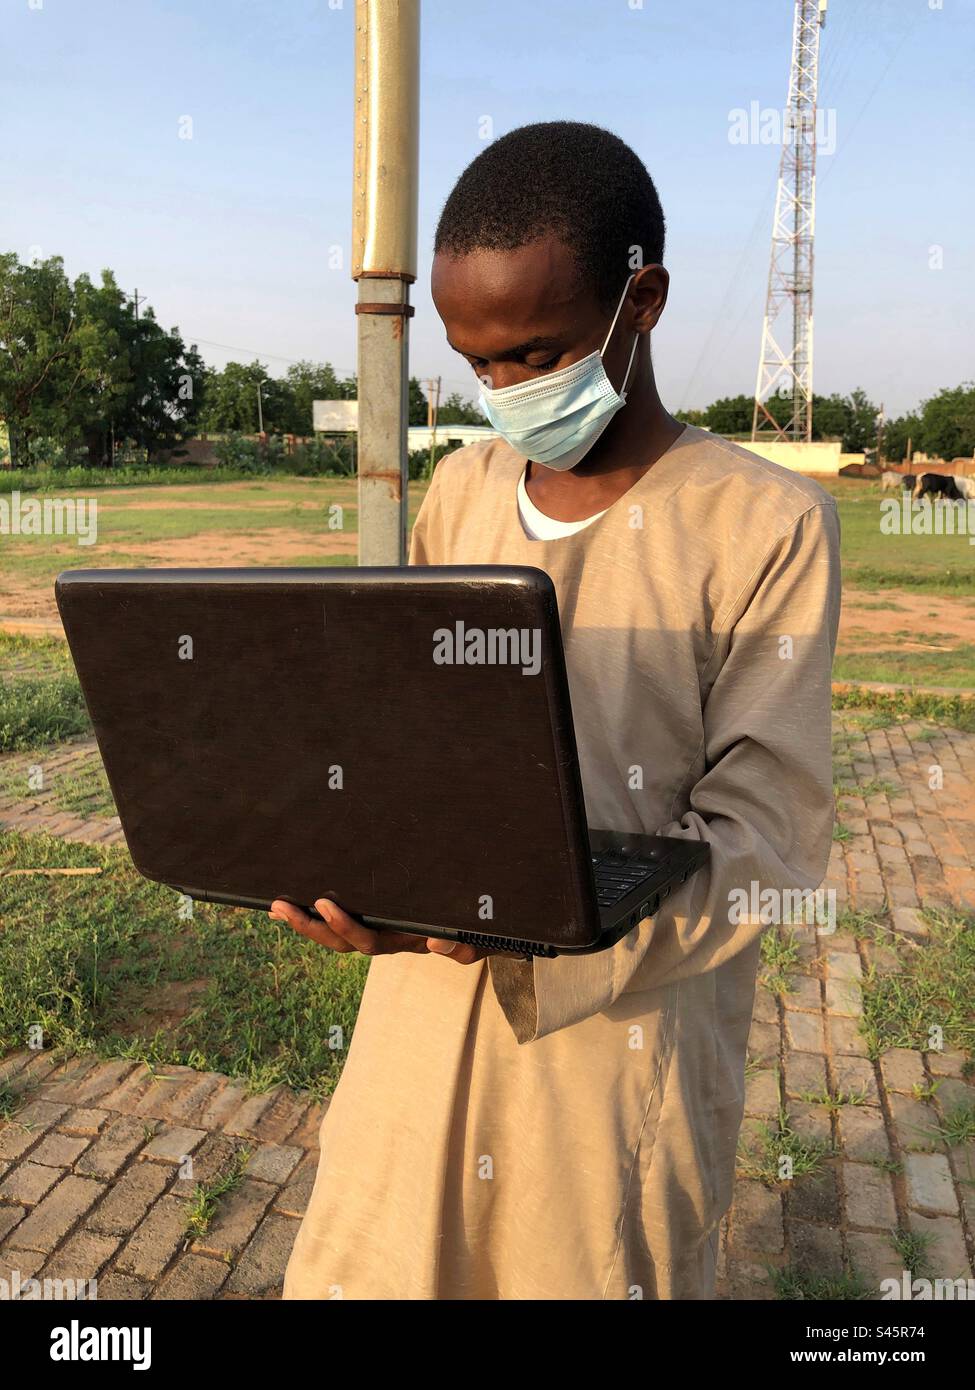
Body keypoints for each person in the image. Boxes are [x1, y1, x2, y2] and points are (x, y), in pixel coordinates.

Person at [275, 121, 840, 1300]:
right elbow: (406, 740)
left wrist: (549, 924)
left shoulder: (762, 524)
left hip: (614, 1050)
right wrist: (349, 857)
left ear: (643, 301)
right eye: (478, 364)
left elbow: (766, 846)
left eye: (536, 353)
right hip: (419, 1017)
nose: (505, 393)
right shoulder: (461, 490)